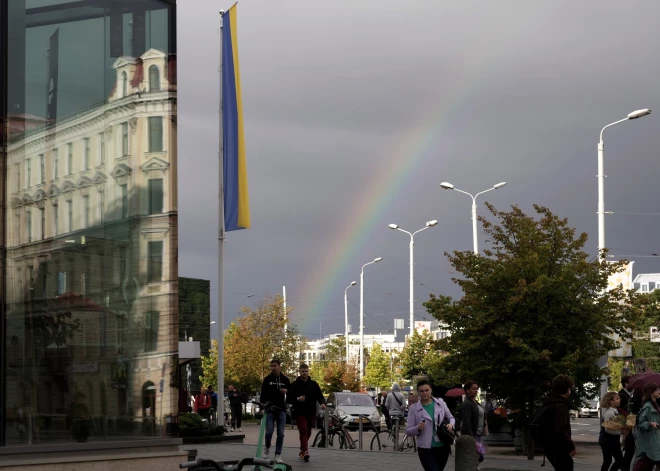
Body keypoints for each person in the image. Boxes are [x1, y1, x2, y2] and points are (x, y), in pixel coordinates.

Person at [405, 379, 455, 471]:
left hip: (443, 445)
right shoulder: (414, 409)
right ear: (418, 392)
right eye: (422, 391)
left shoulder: (441, 403)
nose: (424, 393)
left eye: (427, 390)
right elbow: (408, 431)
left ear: (431, 390)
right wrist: (418, 428)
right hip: (425, 448)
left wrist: (451, 425)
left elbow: (451, 418)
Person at [287, 363, 326, 462]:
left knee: (308, 432)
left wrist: (322, 403)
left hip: (311, 412)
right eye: (302, 371)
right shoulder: (294, 385)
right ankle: (306, 451)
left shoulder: (314, 384)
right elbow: (288, 399)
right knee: (303, 430)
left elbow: (320, 396)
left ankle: (302, 450)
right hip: (299, 412)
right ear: (299, 372)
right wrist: (297, 399)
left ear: (308, 372)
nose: (304, 373)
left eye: (306, 371)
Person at [259, 358, 290, 464]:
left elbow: (291, 395)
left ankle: (278, 454)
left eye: (275, 366)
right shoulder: (267, 379)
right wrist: (263, 406)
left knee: (280, 433)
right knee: (269, 432)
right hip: (270, 409)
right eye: (271, 366)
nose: (273, 368)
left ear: (279, 366)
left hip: (281, 409)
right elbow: (262, 395)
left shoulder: (285, 380)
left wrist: (286, 391)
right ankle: (267, 448)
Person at [543, 374, 576, 471]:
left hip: (550, 446)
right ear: (568, 389)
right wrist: (571, 447)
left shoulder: (550, 402)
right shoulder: (561, 406)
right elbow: (560, 430)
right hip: (559, 448)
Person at [632, 382, 660, 471]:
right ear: (651, 392)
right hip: (650, 439)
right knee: (648, 461)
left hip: (655, 438)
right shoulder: (647, 406)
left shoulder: (656, 405)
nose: (659, 391)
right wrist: (650, 424)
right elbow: (641, 423)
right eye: (656, 389)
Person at [460, 380, 488, 465]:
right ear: (467, 390)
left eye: (477, 388)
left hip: (478, 433)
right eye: (473, 389)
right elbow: (467, 422)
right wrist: (471, 438)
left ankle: (474, 466)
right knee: (479, 455)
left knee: (478, 455)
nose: (476, 390)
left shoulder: (475, 402)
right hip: (473, 434)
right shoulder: (468, 404)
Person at [598, 391, 625, 471]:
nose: (619, 400)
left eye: (619, 398)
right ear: (611, 401)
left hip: (611, 439)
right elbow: (608, 429)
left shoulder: (615, 411)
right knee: (618, 460)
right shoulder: (609, 413)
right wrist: (621, 432)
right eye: (617, 399)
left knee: (608, 461)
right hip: (608, 440)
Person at [619, 376, 635, 469]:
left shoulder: (628, 394)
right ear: (626, 383)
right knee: (629, 450)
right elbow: (622, 411)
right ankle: (624, 467)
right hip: (626, 425)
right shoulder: (622, 395)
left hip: (629, 424)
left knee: (629, 450)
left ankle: (624, 467)